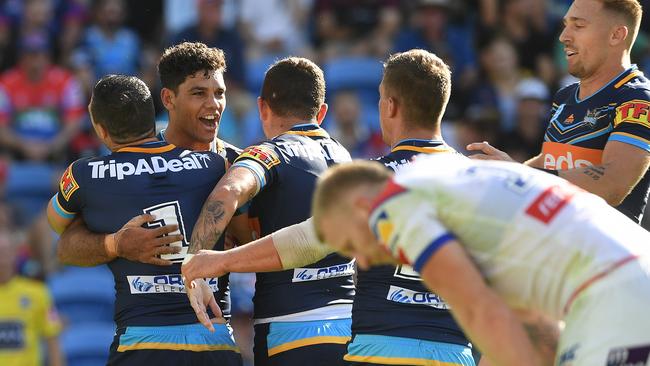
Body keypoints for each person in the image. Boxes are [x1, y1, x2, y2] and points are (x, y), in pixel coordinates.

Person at [183, 50, 476, 365]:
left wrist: (219, 260)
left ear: (390, 106)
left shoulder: (375, 181)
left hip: (374, 347)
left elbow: (309, 240)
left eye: (379, 99)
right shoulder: (481, 180)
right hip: (453, 351)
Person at [312, 156, 650, 366]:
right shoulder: (452, 185)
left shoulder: (393, 204)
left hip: (608, 292)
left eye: (350, 244)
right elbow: (536, 332)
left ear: (360, 207)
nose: (363, 262)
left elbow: (476, 307)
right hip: (630, 274)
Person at [46, 75, 242, 365]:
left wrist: (115, 243)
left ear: (101, 130)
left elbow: (58, 228)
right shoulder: (216, 164)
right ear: (153, 118)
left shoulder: (84, 175)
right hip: (215, 338)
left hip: (142, 342)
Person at [183, 57, 354, 366]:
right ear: (322, 112)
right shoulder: (345, 157)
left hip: (289, 335)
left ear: (262, 107)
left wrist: (197, 262)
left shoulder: (271, 153)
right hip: (351, 333)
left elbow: (230, 191)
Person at [467, 0, 650, 224]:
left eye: (578, 26)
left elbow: (612, 184)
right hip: (555, 246)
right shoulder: (564, 96)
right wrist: (504, 172)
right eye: (565, 24)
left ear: (616, 35)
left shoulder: (639, 99)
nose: (564, 36)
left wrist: (521, 175)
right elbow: (551, 161)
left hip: (606, 254)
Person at [0, 231, 63, 366]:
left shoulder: (38, 293)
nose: (2, 259)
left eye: (4, 252)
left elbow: (52, 340)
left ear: (14, 254)